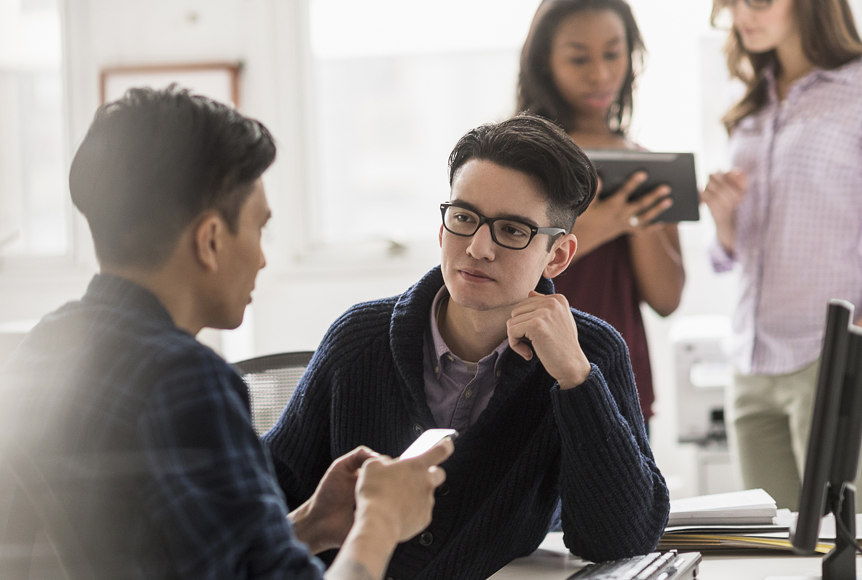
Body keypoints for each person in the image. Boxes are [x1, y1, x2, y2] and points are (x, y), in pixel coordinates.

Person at [0, 85, 453, 580]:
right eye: (260, 229)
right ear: (211, 240)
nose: (262, 257)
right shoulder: (184, 382)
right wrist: (381, 519)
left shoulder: (45, 346)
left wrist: (311, 524)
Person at [263, 115, 669, 580]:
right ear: (442, 229)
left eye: (513, 231)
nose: (477, 248)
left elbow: (622, 540)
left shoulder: (589, 352)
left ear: (556, 255)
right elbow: (262, 499)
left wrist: (576, 380)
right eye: (463, 218)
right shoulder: (358, 340)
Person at [699, 0, 862, 514]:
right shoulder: (750, 101)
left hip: (837, 359)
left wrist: (854, 352)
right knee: (775, 556)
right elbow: (744, 253)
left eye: (759, 1)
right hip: (753, 365)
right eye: (732, 2)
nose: (743, 15)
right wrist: (723, 221)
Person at [516, 0, 685, 430]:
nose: (600, 74)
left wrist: (636, 220)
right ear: (545, 62)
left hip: (619, 389)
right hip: (527, 386)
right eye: (578, 57)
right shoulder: (516, 158)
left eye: (613, 53)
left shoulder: (648, 166)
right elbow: (508, 262)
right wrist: (609, 221)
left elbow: (666, 300)